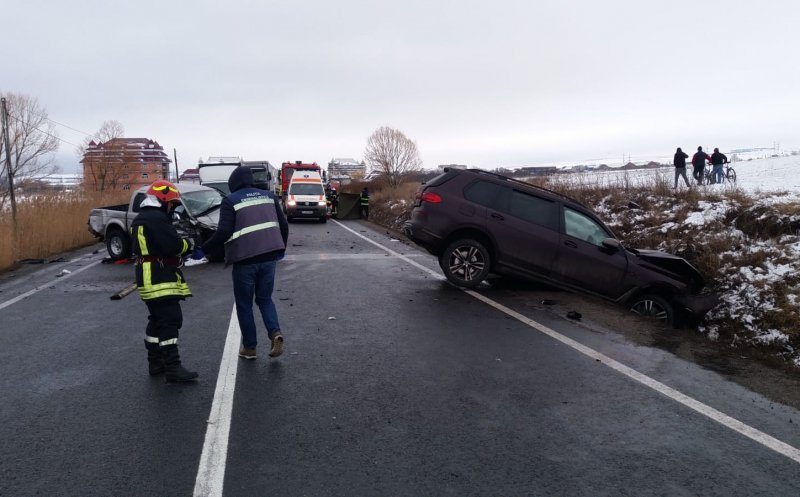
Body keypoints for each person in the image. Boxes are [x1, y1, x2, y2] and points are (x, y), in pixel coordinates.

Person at [192, 166, 289, 360]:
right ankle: (275, 333)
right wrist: (281, 249)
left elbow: (223, 232)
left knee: (244, 304)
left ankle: (250, 348)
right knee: (265, 299)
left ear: (233, 183)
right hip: (269, 256)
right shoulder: (268, 196)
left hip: (245, 260)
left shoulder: (231, 201)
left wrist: (203, 249)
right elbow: (283, 224)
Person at [130, 179, 198, 382]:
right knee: (170, 320)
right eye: (172, 204)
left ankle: (155, 362)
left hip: (147, 276)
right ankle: (173, 367)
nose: (172, 208)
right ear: (162, 200)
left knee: (157, 319)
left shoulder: (141, 218)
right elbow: (173, 246)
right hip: (160, 277)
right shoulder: (156, 219)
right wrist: (190, 243)